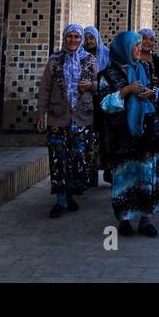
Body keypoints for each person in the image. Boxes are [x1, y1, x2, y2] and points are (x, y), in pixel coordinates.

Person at [98, 30, 159, 237]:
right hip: (122, 135)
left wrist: (152, 93)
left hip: (147, 132)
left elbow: (158, 89)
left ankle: (146, 220)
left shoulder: (145, 67)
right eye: (135, 46)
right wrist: (125, 90)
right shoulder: (108, 74)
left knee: (146, 175)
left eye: (139, 45)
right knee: (124, 177)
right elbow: (104, 104)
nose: (140, 49)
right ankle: (125, 219)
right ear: (124, 49)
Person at [35, 23, 98, 218]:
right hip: (58, 117)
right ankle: (61, 199)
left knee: (79, 158)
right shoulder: (55, 61)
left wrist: (91, 85)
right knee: (59, 159)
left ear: (81, 40)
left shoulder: (89, 60)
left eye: (76, 37)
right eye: (70, 37)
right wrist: (40, 114)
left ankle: (71, 193)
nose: (73, 40)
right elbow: (45, 88)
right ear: (65, 38)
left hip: (82, 118)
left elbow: (101, 85)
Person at [83, 26, 109, 186]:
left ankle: (108, 170)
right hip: (85, 104)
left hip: (104, 104)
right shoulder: (80, 57)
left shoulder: (106, 55)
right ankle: (90, 176)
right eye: (86, 38)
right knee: (89, 139)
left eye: (91, 38)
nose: (88, 41)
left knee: (105, 138)